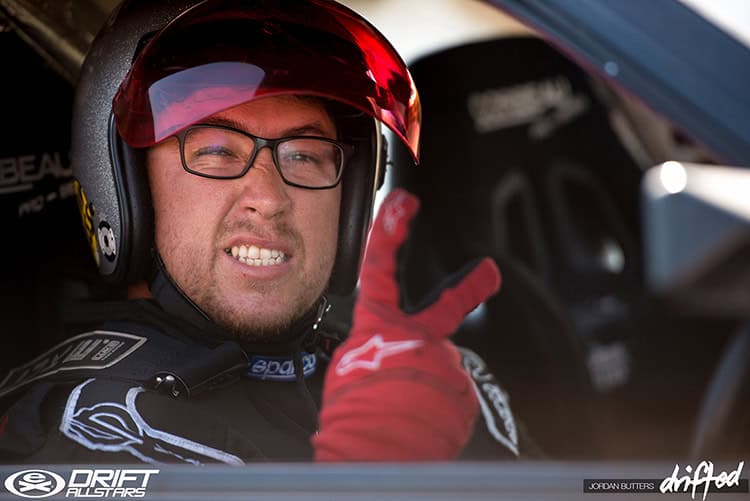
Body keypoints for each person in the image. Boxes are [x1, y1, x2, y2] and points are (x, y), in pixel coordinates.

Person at [0, 0, 508, 463]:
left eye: (304, 155)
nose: (268, 199)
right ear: (125, 188)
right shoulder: (101, 431)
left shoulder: (427, 371)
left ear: (352, 197)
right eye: (217, 151)